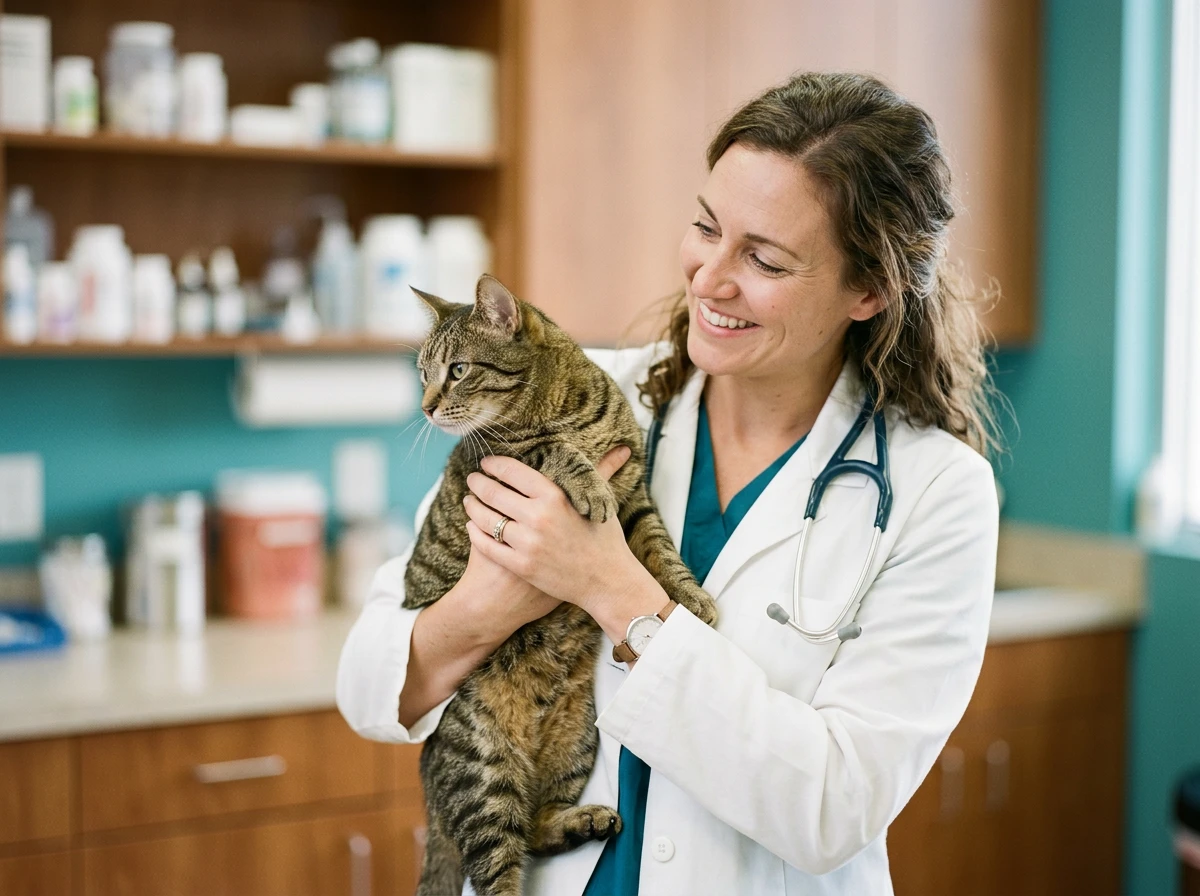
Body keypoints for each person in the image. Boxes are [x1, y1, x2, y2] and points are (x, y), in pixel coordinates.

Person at [337, 71, 1000, 896]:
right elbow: (368, 680)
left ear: (868, 289)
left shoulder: (939, 494)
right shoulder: (575, 397)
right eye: (705, 226)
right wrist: (494, 604)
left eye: (763, 258)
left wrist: (613, 589)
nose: (709, 278)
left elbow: (832, 807)